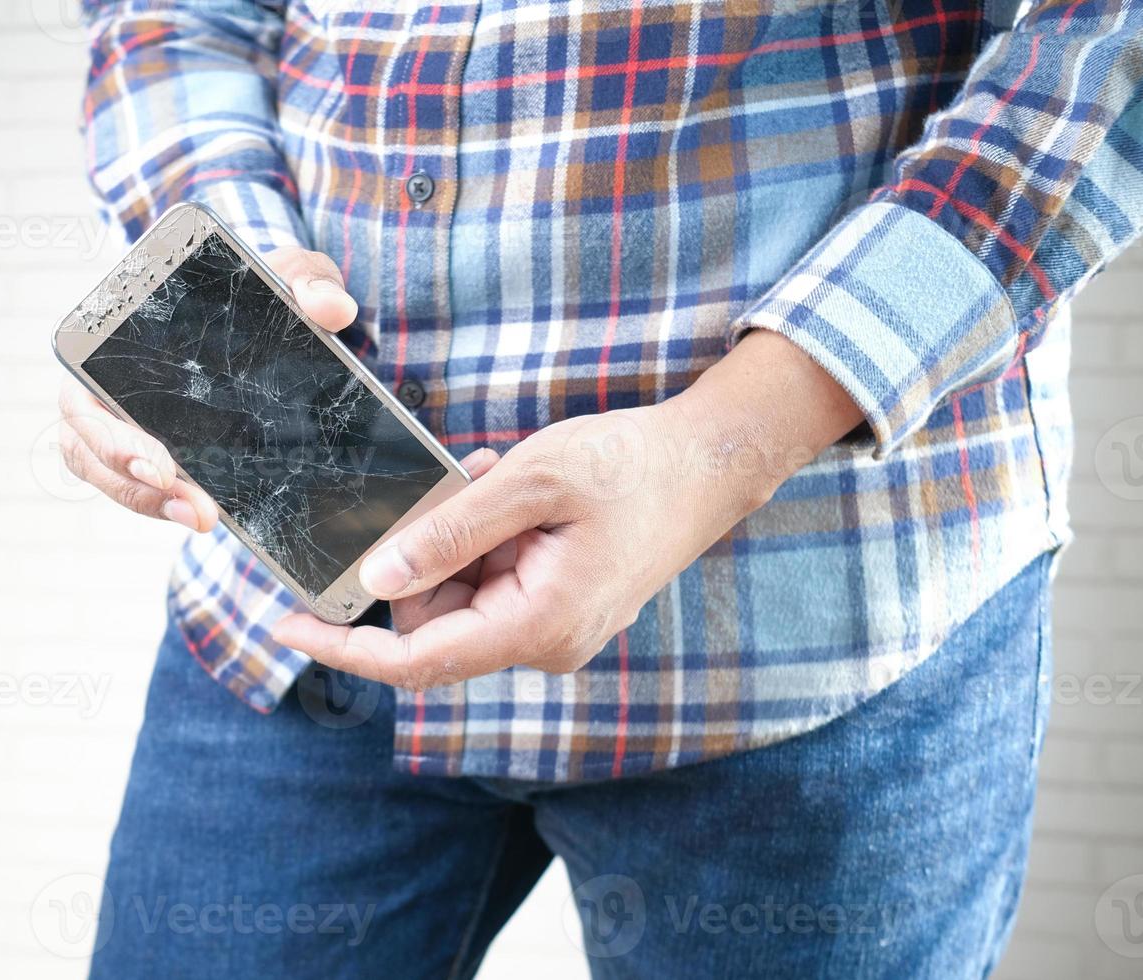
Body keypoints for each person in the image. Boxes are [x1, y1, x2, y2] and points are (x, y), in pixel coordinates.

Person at [58, 1, 1142, 975]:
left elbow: (1102, 44)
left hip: (809, 629)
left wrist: (731, 440)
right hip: (299, 635)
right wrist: (213, 297)